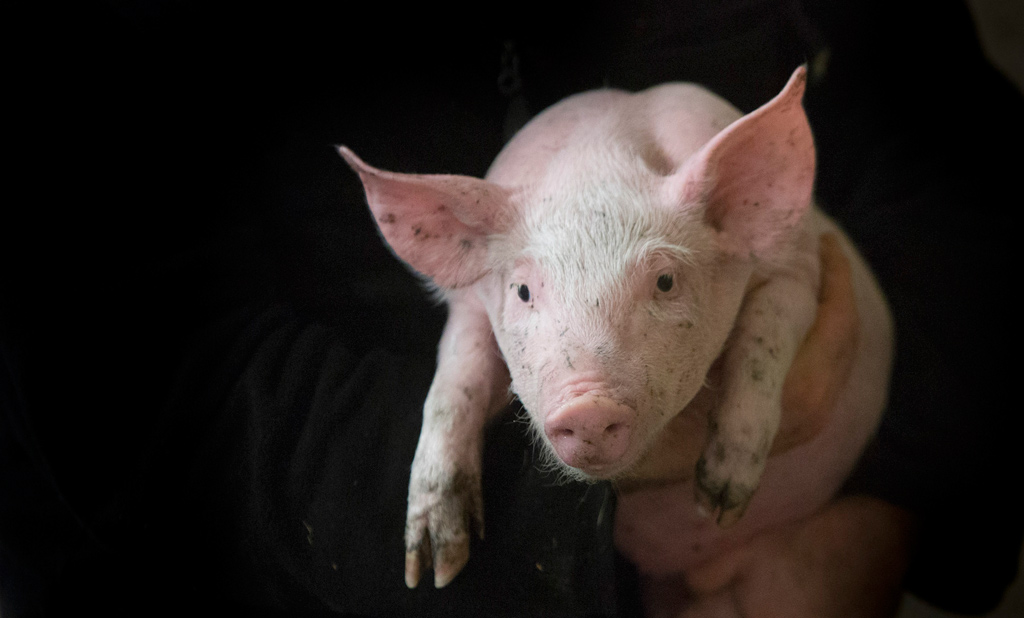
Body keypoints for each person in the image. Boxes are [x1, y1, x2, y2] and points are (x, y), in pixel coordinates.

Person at [3, 1, 1020, 616]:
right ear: (435, 231)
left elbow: (946, 135)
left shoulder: (724, 182)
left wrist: (896, 496)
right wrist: (525, 542)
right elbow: (97, 366)